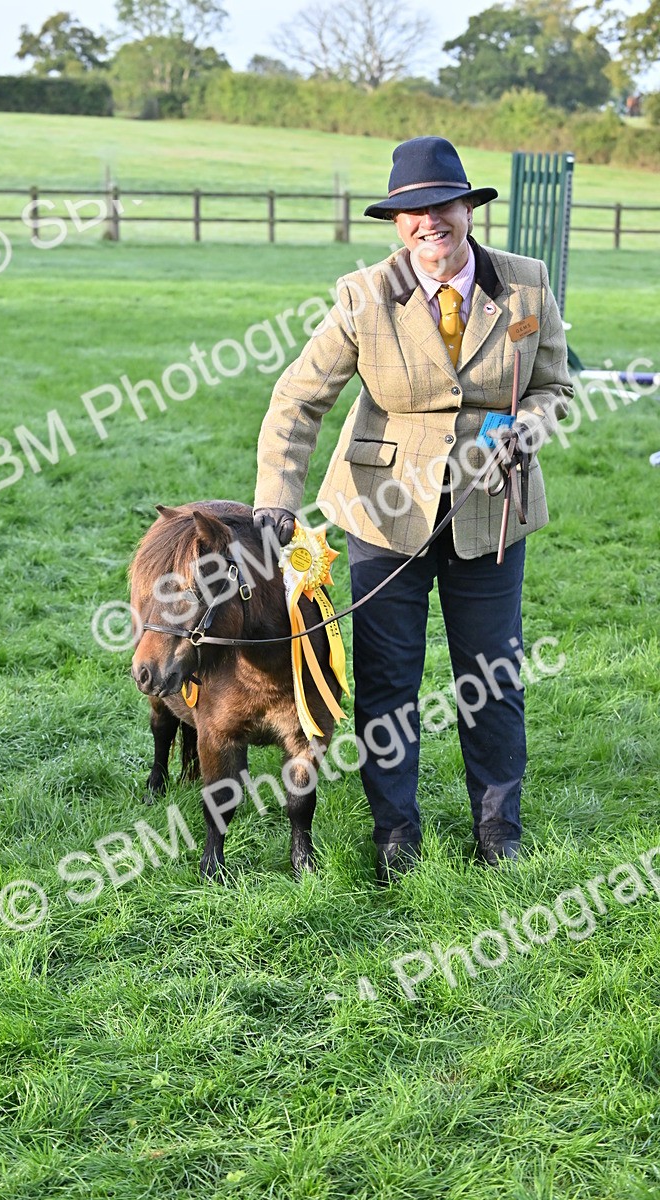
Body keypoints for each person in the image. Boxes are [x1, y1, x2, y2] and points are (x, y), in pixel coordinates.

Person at [253, 135, 573, 885]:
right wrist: (275, 505)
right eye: (414, 212)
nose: (431, 222)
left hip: (492, 513)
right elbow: (298, 400)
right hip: (383, 512)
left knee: (492, 676)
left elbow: (555, 387)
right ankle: (396, 834)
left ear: (469, 209)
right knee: (389, 681)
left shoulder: (526, 285)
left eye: (444, 205)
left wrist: (528, 427)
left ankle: (499, 831)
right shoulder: (363, 295)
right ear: (398, 224)